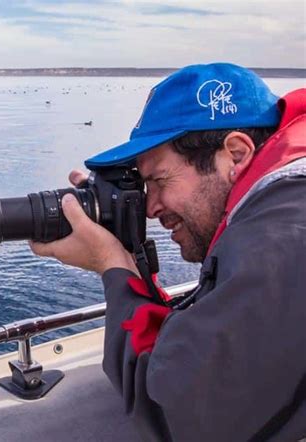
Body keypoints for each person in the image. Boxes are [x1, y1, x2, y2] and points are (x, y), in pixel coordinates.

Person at [31, 63, 306, 441]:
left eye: (159, 180)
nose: (150, 207)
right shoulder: (281, 205)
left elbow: (178, 412)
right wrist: (127, 246)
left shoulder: (281, 237)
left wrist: (114, 266)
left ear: (237, 155)